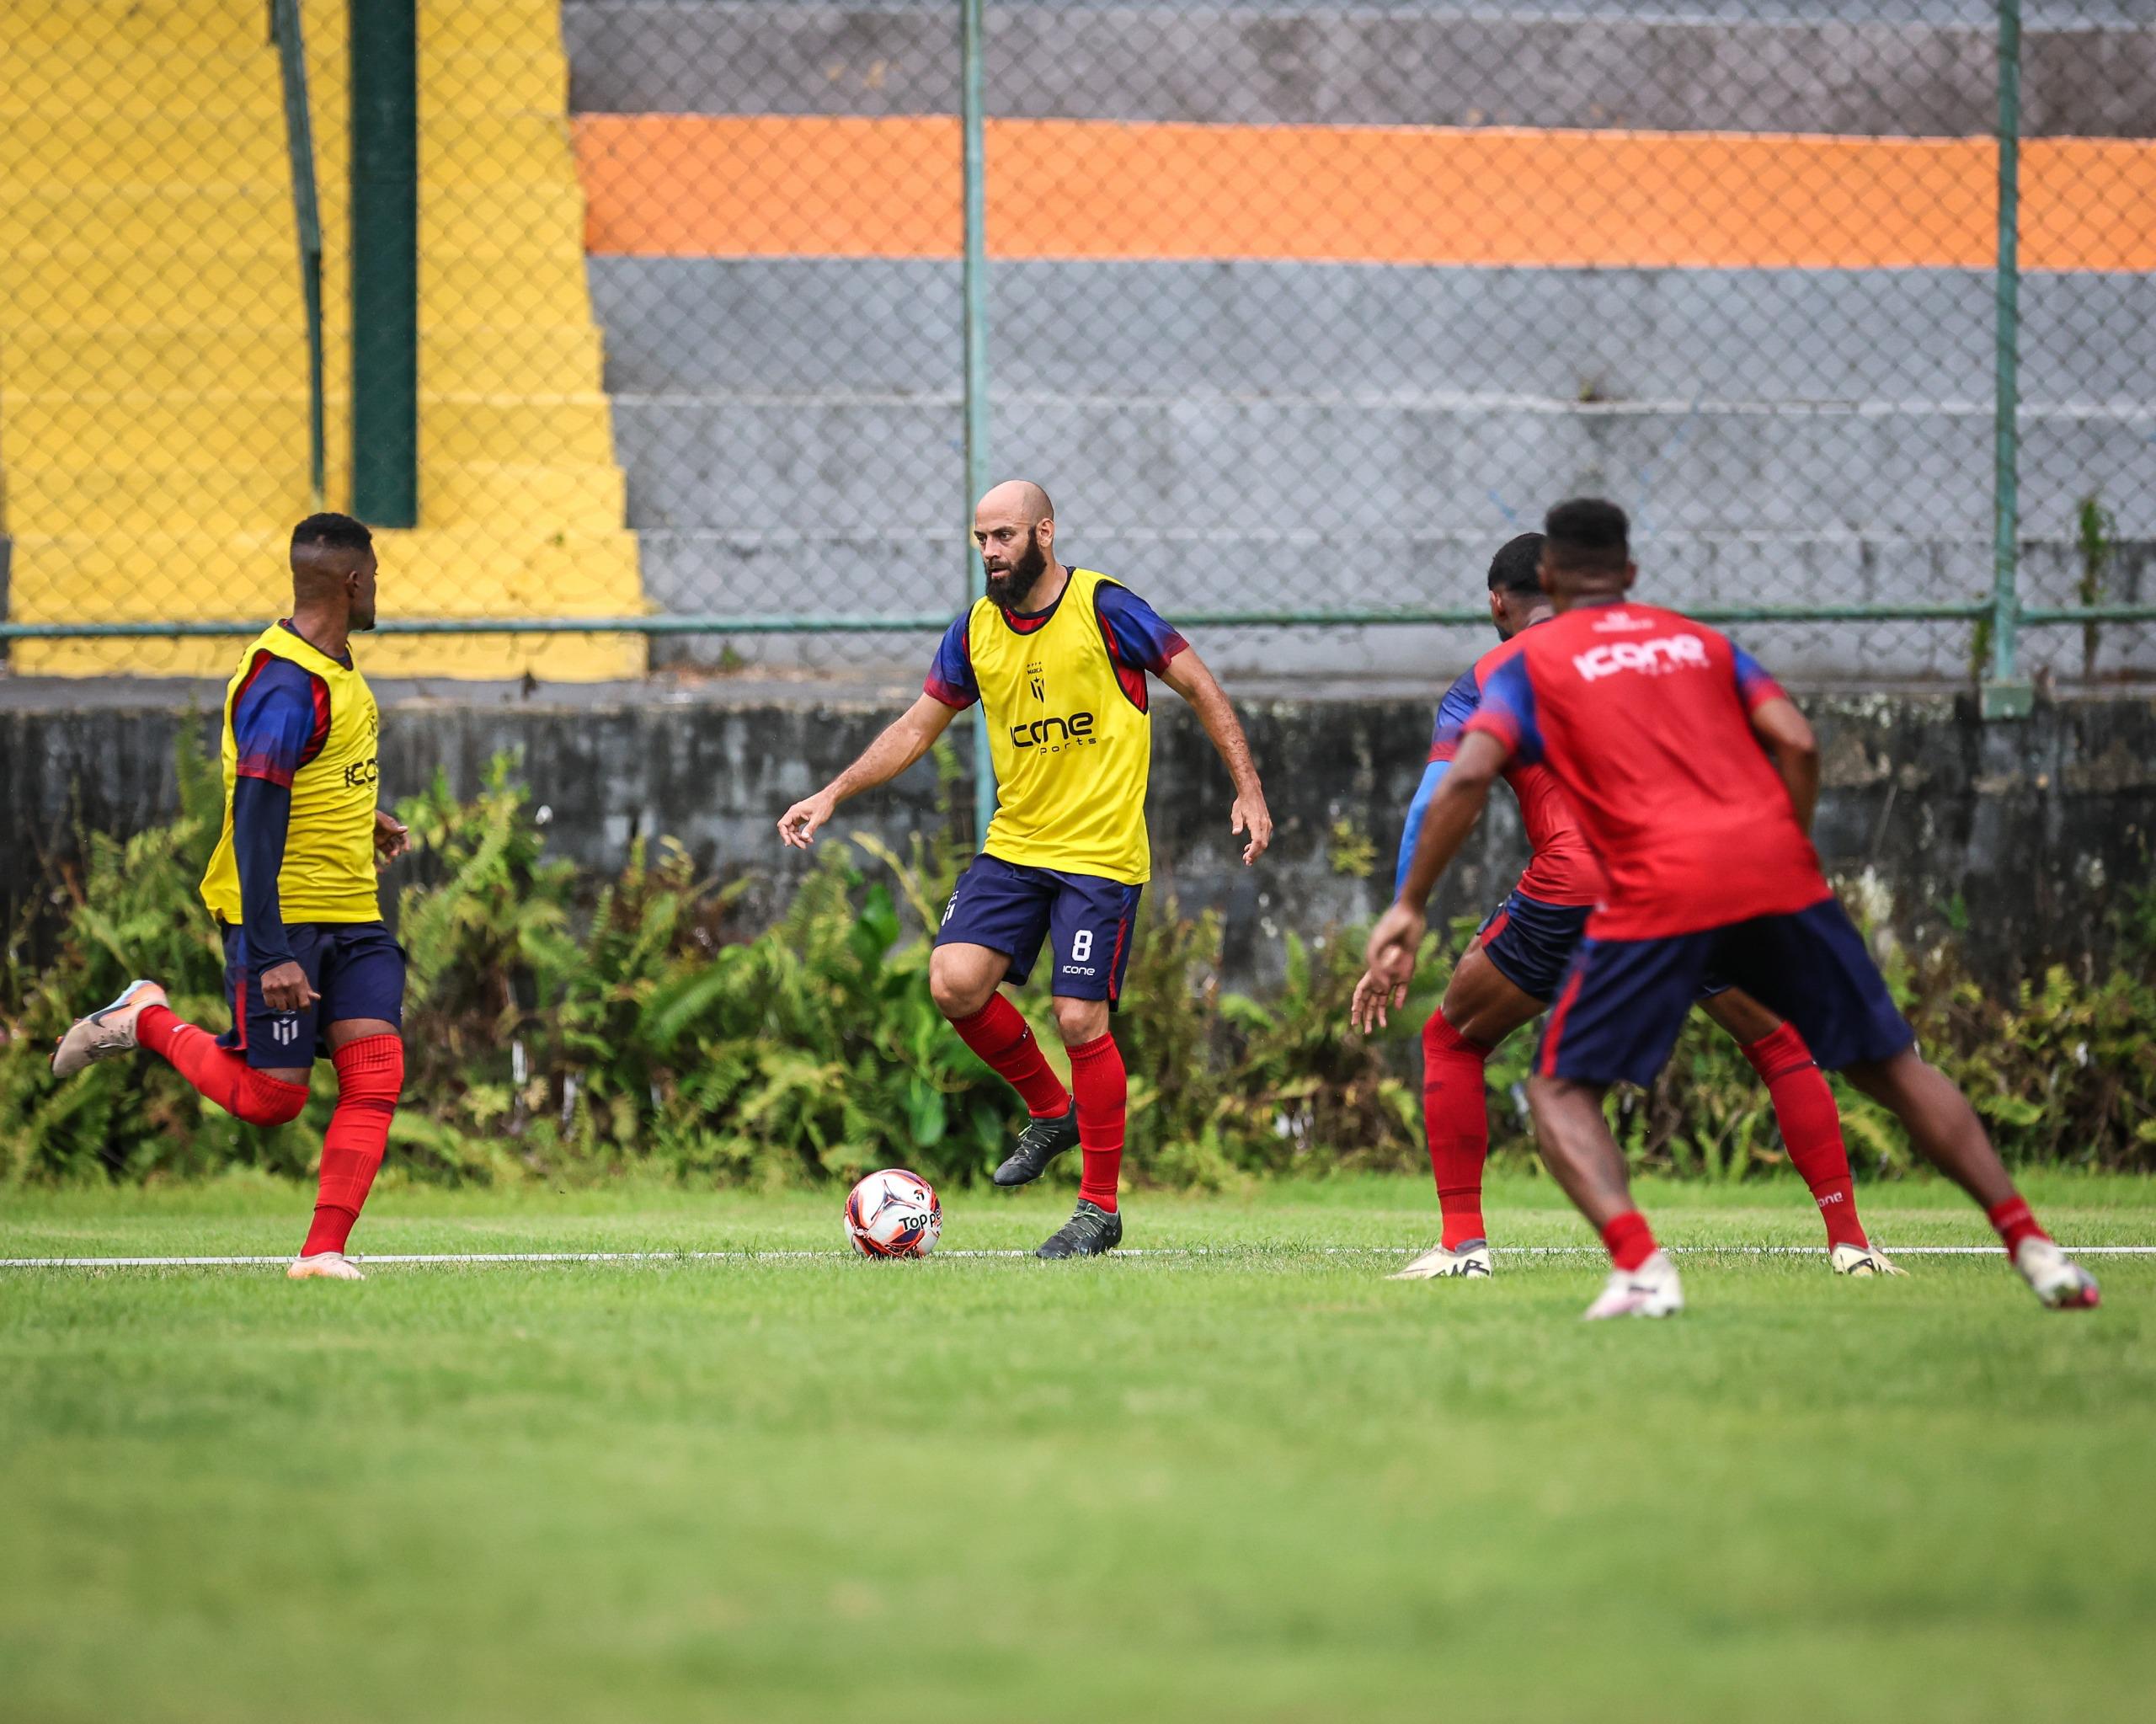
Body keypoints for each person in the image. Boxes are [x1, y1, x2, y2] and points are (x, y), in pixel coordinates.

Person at [1366, 499, 2099, 1318]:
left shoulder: (1518, 667)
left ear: (1521, 593)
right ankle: (1988, 1242)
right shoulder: (1696, 641)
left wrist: (1409, 907)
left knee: (1512, 1066)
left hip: (1610, 880)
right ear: (1632, 575)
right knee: (1842, 1054)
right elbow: (1798, 741)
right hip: (1756, 870)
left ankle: (1552, 1257)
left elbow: (1454, 783)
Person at [1353, 534, 1896, 1281]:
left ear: (1497, 602)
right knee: (1778, 1041)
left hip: (1570, 884)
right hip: (1681, 877)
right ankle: (1852, 1244)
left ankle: (1463, 1247)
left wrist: (1403, 916)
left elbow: (1437, 802)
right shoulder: (1650, 655)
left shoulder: (1487, 677)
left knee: (1453, 1040)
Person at [779, 481, 1272, 1257]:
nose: (991, 552)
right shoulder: (975, 631)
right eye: (981, 539)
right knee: (953, 982)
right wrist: (834, 791)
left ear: (1045, 531)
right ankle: (1052, 1111)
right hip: (1015, 847)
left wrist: (1248, 788)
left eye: (1005, 536)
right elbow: (918, 724)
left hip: (1100, 856)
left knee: (1079, 1018)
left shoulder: (1105, 608)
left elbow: (1199, 683)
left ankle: (1098, 1210)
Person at [51, 514, 410, 1282]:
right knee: (270, 1099)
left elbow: (310, 773)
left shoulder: (333, 666)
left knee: (375, 1071)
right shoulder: (286, 684)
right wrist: (271, 946)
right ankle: (145, 1017)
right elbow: (253, 812)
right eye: (374, 575)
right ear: (352, 582)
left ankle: (322, 1253)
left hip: (354, 915)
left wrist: (363, 815)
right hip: (282, 922)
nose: (379, 588)